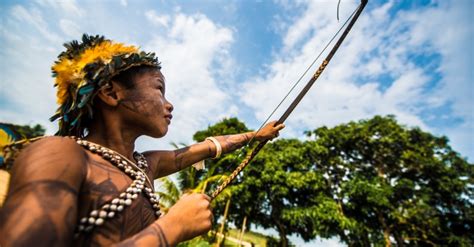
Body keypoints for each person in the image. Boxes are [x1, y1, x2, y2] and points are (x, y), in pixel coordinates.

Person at [0, 34, 284, 246]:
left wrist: (256, 135)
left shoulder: (145, 165)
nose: (169, 104)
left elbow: (210, 147)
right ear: (111, 94)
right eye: (160, 88)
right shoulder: (60, 155)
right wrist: (170, 229)